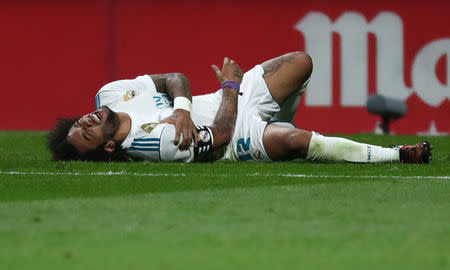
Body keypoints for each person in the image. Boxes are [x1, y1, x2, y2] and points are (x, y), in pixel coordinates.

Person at [48, 52, 433, 164]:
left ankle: (274, 124)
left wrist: (182, 108)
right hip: (233, 137)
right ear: (109, 147)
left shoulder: (110, 94)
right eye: (87, 133)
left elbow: (173, 76)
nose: (85, 121)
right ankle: (395, 155)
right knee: (299, 142)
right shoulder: (153, 143)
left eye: (78, 123)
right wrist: (231, 85)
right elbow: (221, 136)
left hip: (221, 100)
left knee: (302, 62)